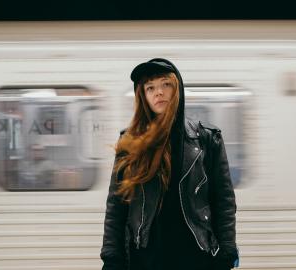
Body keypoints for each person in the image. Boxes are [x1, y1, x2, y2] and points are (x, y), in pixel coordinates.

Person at [101, 58, 239, 270]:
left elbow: (223, 200)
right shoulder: (130, 143)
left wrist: (227, 248)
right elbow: (116, 205)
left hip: (195, 254)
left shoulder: (207, 139)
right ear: (143, 96)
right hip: (146, 257)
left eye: (166, 84)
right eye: (150, 88)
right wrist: (111, 257)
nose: (159, 92)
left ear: (178, 89)